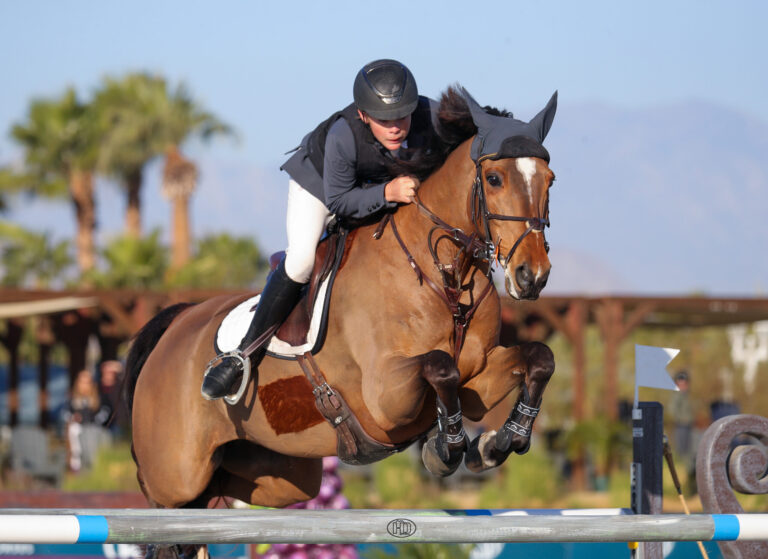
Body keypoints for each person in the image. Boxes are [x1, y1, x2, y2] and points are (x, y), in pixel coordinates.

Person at [202, 59, 443, 400]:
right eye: (383, 120)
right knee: (301, 260)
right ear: (363, 115)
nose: (395, 128)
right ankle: (242, 355)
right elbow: (341, 201)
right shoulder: (343, 136)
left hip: (377, 184)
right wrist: (386, 193)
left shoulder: (430, 115)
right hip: (322, 189)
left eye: (402, 116)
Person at [62, 369, 113, 471]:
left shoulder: (99, 398)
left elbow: (106, 412)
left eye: (87, 382)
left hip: (94, 431)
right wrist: (73, 418)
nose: (85, 385)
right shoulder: (72, 399)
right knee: (73, 430)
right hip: (78, 432)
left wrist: (95, 420)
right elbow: (64, 413)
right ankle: (76, 465)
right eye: (82, 382)